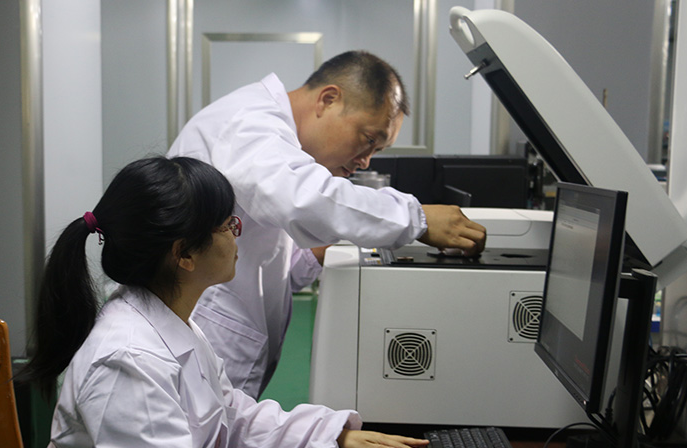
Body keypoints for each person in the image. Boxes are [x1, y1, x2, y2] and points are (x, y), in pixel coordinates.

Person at [20, 156, 430, 448]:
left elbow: (230, 418)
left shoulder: (171, 322)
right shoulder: (126, 358)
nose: (238, 235)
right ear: (184, 253)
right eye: (227, 225)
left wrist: (330, 434)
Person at [168, 50, 487, 399]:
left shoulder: (276, 143)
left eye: (377, 150)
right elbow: (302, 200)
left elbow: (266, 259)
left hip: (220, 351)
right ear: (329, 99)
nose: (365, 161)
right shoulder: (248, 122)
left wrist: (318, 255)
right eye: (369, 139)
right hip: (198, 346)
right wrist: (416, 219)